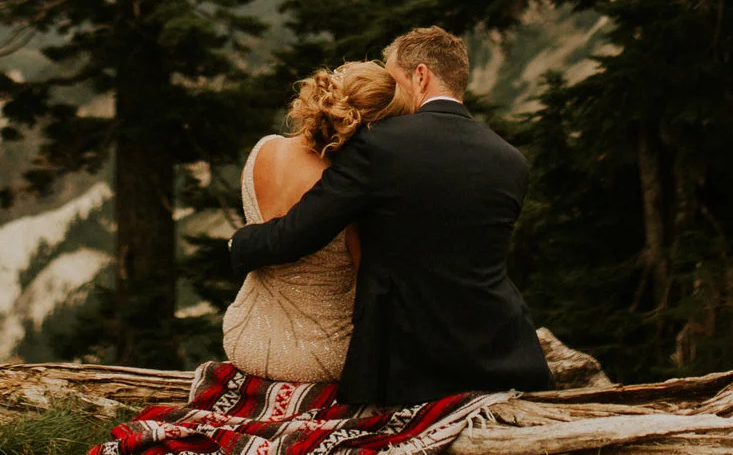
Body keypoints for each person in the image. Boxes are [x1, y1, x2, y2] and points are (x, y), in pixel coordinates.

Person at [228, 26, 554, 407]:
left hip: (408, 367)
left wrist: (240, 243)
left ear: (420, 76)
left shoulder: (378, 144)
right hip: (505, 353)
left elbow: (298, 234)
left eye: (393, 77)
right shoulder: (511, 161)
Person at [220, 60, 406, 381]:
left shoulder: (265, 149)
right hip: (320, 354)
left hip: (243, 336)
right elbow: (372, 282)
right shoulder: (347, 191)